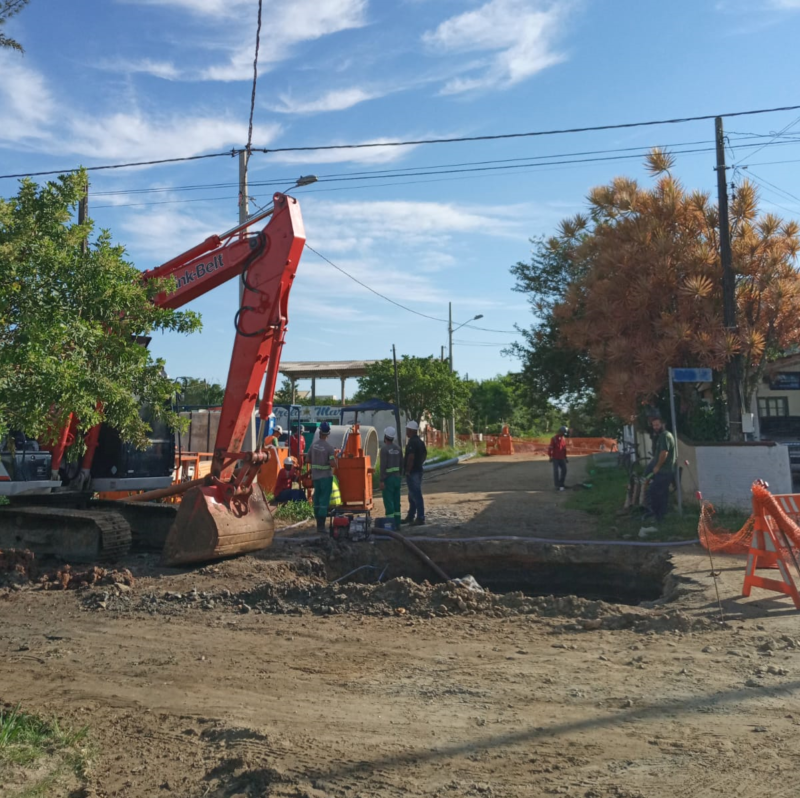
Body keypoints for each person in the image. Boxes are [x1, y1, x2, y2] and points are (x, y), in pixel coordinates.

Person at [645, 411, 676, 523]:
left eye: (657, 425)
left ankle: (658, 517)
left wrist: (657, 467)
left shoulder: (664, 436)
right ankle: (661, 517)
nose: (655, 427)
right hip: (665, 470)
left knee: (654, 492)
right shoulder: (665, 435)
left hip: (664, 471)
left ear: (663, 424)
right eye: (654, 425)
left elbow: (664, 453)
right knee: (662, 494)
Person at [309, 421, 337, 532]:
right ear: (328, 434)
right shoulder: (329, 448)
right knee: (324, 500)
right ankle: (321, 526)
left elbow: (307, 459)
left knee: (317, 499)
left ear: (320, 432)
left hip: (316, 477)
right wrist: (336, 462)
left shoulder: (313, 445)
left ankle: (317, 524)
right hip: (326, 477)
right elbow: (332, 463)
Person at [403, 420, 427, 526]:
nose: (406, 432)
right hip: (418, 470)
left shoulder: (412, 442)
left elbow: (411, 457)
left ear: (411, 430)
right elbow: (424, 455)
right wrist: (419, 464)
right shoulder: (420, 442)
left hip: (413, 472)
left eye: (407, 429)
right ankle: (411, 516)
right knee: (412, 495)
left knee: (416, 495)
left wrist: (408, 470)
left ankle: (420, 517)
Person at [379, 426, 403, 528]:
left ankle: (390, 525)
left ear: (385, 437)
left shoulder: (384, 450)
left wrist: (381, 480)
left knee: (389, 502)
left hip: (388, 480)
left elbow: (383, 466)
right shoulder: (398, 449)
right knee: (397, 501)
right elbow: (402, 464)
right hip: (397, 478)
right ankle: (397, 524)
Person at [548, 426, 569, 491]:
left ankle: (561, 483)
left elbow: (564, 449)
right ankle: (557, 485)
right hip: (555, 458)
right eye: (563, 433)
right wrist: (550, 456)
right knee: (556, 471)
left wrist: (565, 457)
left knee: (564, 470)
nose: (563, 435)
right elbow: (550, 448)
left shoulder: (563, 439)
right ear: (560, 431)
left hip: (562, 457)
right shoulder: (553, 439)